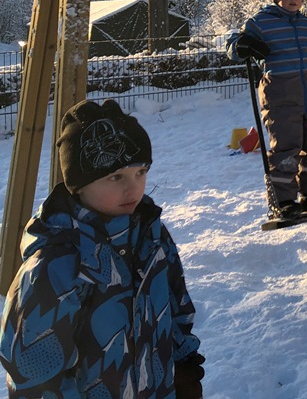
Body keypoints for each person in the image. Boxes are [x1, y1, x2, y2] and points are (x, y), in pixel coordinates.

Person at [0, 99, 205, 399]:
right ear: (79, 185)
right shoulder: (57, 264)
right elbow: (33, 371)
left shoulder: (152, 237)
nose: (133, 188)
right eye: (115, 176)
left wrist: (184, 363)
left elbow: (176, 307)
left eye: (140, 172)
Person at [226, 0, 307, 218]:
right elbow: (232, 45)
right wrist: (242, 45)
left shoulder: (306, 23)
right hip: (279, 90)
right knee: (286, 145)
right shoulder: (260, 22)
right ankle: (284, 200)